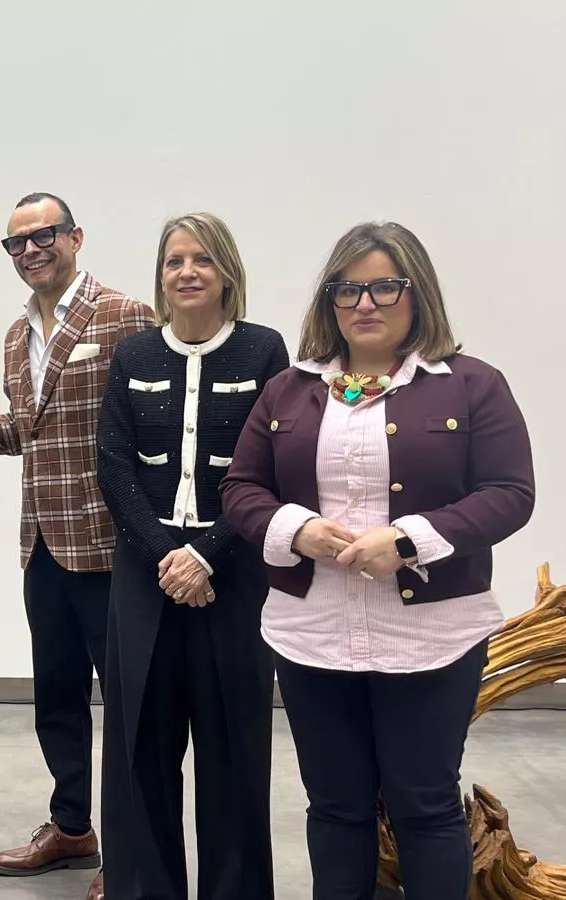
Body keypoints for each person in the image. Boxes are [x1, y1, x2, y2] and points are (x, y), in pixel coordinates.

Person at [221, 221, 535, 899]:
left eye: (385, 286)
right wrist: (296, 529)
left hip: (433, 638)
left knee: (424, 805)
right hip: (313, 634)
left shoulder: (472, 385)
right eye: (348, 289)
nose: (366, 304)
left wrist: (409, 539)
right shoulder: (288, 390)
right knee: (336, 806)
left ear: (416, 293)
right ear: (329, 301)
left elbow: (510, 495)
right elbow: (240, 488)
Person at [94, 213, 288, 900]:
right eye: (175, 260)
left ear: (227, 272)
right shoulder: (133, 356)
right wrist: (169, 557)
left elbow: (270, 467)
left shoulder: (266, 352)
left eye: (202, 259)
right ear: (161, 276)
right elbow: (114, 467)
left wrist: (205, 556)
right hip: (147, 580)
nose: (187, 272)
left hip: (233, 580)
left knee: (234, 753)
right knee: (140, 753)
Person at [0, 193, 154, 900]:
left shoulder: (125, 315)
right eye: (16, 243)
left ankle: (132, 851)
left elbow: (151, 432)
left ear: (75, 236)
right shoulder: (19, 336)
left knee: (131, 705)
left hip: (113, 548)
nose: (30, 250)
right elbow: (26, 430)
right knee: (57, 697)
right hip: (42, 546)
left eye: (43, 235)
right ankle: (72, 824)